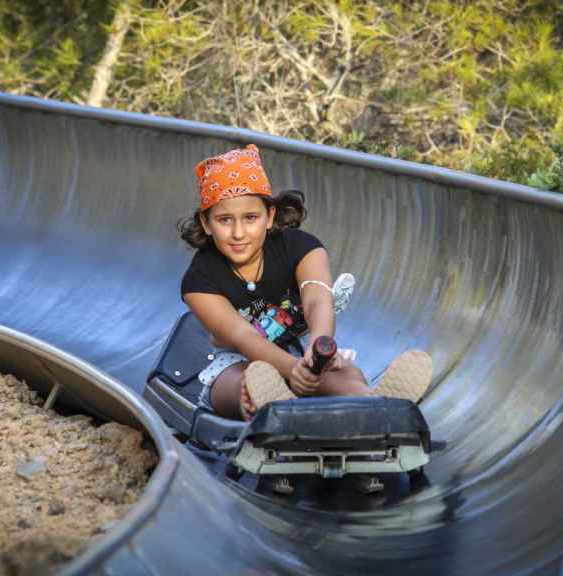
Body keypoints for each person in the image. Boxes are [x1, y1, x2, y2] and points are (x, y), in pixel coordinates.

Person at [178, 143, 433, 421]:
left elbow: (317, 298)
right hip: (242, 360)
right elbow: (243, 336)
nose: (238, 233)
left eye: (250, 218)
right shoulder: (199, 280)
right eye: (224, 220)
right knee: (242, 385)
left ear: (270, 216)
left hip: (303, 350)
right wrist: (290, 370)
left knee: (344, 376)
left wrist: (319, 344)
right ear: (206, 223)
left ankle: (372, 403)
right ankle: (270, 405)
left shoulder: (302, 248)